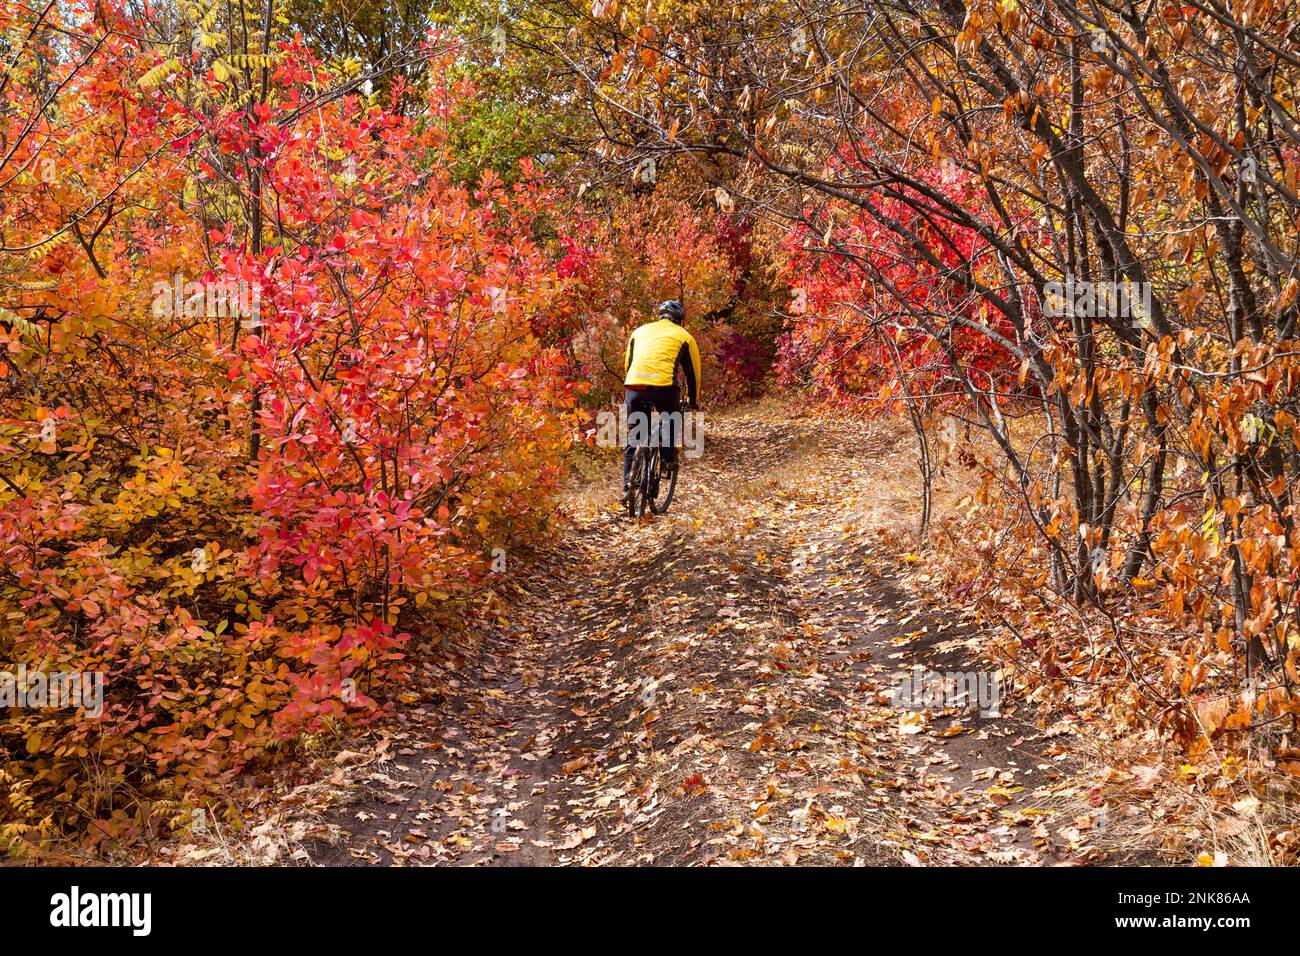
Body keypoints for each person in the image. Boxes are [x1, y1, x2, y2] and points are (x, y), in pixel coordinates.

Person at [622, 299, 701, 495]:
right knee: (670, 419)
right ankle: (667, 459)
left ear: (659, 316)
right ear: (679, 321)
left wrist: (632, 386)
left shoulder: (639, 331)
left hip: (634, 385)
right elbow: (693, 374)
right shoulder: (685, 336)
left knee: (635, 436)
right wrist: (693, 400)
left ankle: (627, 487)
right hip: (664, 388)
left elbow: (628, 364)